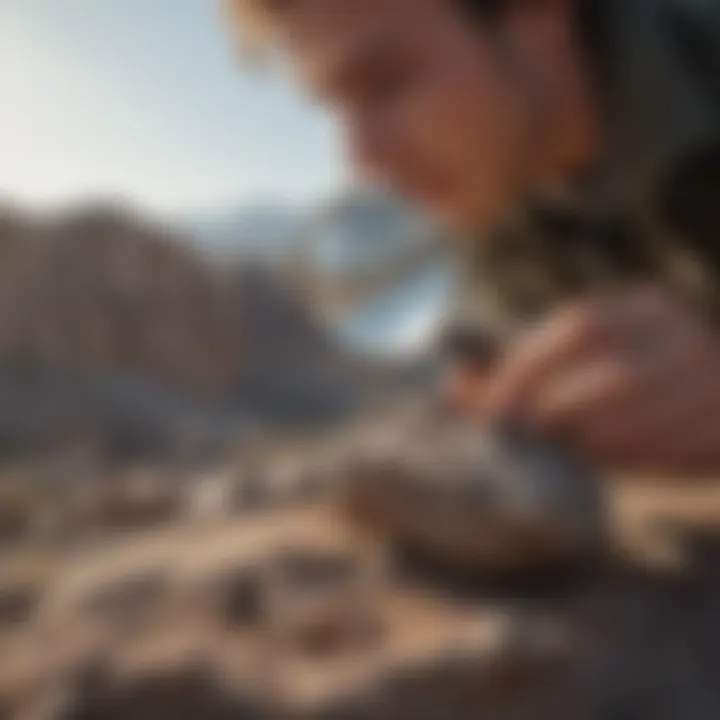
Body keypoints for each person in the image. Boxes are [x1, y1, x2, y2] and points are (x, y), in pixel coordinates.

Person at [227, 0, 720, 476]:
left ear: (539, 10)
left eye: (387, 82)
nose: (360, 160)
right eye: (337, 107)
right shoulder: (497, 209)